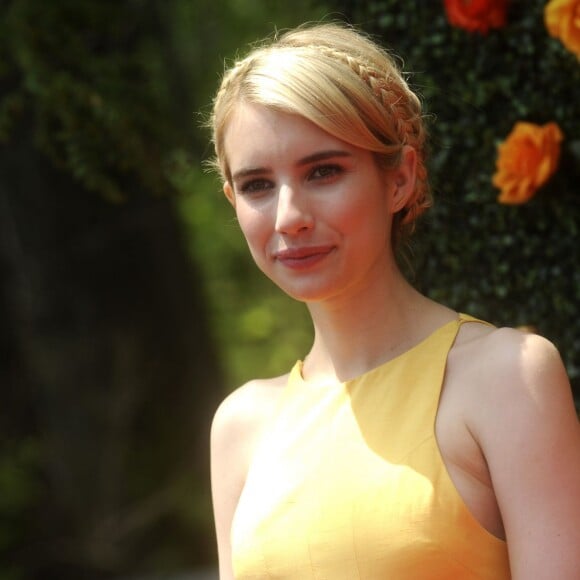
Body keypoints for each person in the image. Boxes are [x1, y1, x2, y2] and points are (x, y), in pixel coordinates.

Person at [208, 22, 580, 580]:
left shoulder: (509, 378)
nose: (289, 217)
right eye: (258, 185)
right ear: (232, 201)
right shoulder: (240, 427)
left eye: (324, 171)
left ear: (400, 178)